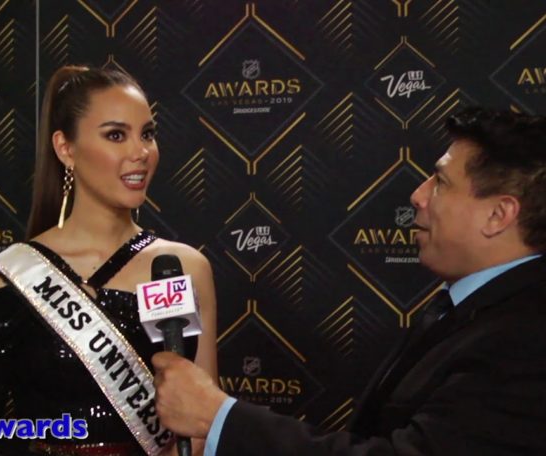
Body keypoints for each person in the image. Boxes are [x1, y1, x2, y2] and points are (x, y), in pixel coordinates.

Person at [153, 107, 546, 455]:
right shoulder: (466, 309)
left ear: (499, 215)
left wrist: (218, 417)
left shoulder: (525, 339)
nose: (417, 196)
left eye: (440, 183)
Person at [0, 65, 218, 455]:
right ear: (66, 148)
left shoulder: (185, 267)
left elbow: (203, 424)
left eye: (147, 134)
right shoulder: (11, 278)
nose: (140, 152)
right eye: (116, 135)